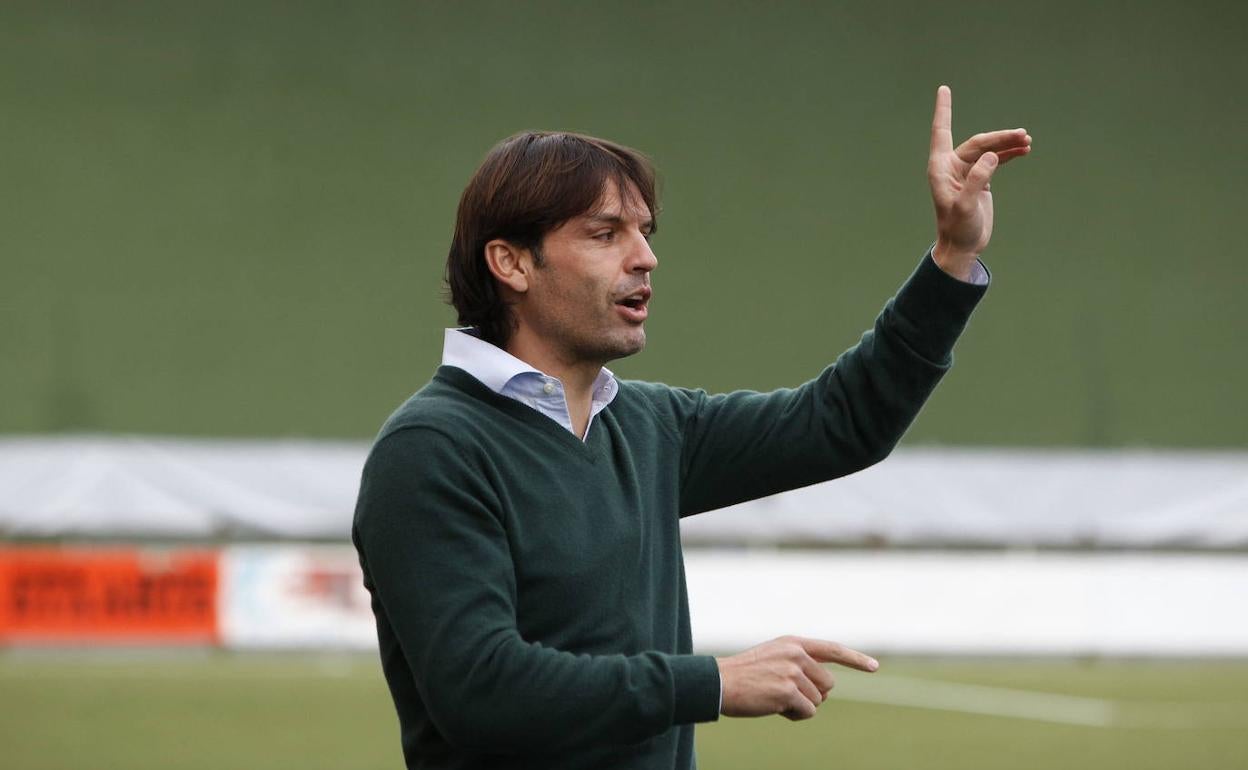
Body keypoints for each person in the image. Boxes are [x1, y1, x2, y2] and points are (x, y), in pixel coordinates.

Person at [353, 85, 1031, 770]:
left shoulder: (649, 425)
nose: (644, 257)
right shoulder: (431, 450)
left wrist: (952, 257)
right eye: (605, 233)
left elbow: (843, 422)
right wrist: (711, 682)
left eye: (645, 232)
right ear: (512, 263)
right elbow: (482, 692)